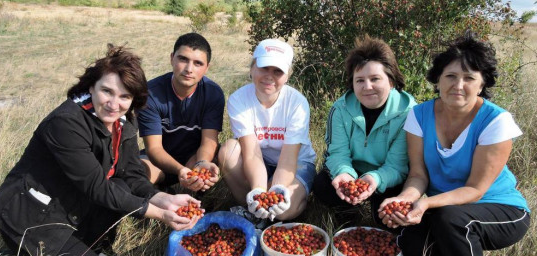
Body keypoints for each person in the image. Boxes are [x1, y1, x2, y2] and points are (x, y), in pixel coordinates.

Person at [0, 45, 202, 256]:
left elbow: (131, 173)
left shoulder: (124, 121)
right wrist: (161, 214)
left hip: (70, 203)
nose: (115, 104)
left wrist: (163, 199)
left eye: (125, 97)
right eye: (107, 91)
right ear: (91, 87)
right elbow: (98, 188)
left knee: (122, 187)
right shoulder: (67, 123)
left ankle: (87, 247)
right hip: (30, 211)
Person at [379, 32, 530, 256]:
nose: (458, 85)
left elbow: (475, 189)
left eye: (469, 78)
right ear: (438, 80)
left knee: (453, 220)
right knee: (405, 237)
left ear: (482, 83)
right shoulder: (419, 115)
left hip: (500, 208)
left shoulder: (496, 121)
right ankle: (453, 251)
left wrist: (425, 205)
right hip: (445, 210)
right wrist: (406, 199)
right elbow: (417, 175)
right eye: (450, 76)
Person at [312, 36, 416, 228]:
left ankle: (373, 206)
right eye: (359, 80)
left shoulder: (408, 113)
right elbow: (337, 153)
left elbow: (398, 165)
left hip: (386, 175)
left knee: (385, 220)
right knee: (321, 187)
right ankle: (346, 209)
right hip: (352, 168)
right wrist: (345, 175)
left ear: (391, 81)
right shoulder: (341, 109)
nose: (367, 87)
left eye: (375, 79)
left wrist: (374, 180)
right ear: (352, 83)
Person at [218, 38, 317, 223]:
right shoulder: (238, 100)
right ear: (252, 68)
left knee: (282, 211)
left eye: (278, 71)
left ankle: (284, 206)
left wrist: (276, 191)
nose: (269, 76)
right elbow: (251, 154)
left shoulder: (297, 103)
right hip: (259, 160)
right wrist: (258, 192)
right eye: (264, 68)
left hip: (295, 163)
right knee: (228, 151)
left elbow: (288, 160)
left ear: (288, 75)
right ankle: (253, 208)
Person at [137, 32, 224, 192]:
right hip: (158, 160)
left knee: (212, 163)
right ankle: (156, 196)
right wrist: (179, 170)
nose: (189, 69)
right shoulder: (151, 94)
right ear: (172, 58)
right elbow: (154, 148)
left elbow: (209, 140)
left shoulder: (212, 93)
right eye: (183, 59)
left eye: (198, 63)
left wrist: (201, 162)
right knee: (137, 173)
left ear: (207, 67)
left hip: (194, 158)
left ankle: (182, 193)